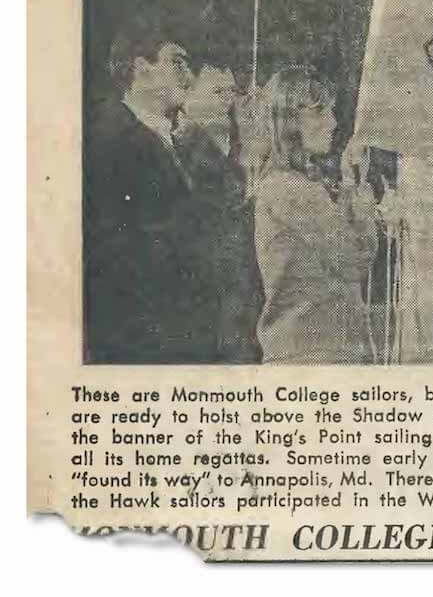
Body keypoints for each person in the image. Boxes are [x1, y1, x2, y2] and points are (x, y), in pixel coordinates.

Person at [83, 21, 221, 363]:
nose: (189, 76)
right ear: (142, 70)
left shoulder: (171, 139)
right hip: (142, 344)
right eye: (177, 62)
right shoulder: (108, 143)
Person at [252, 66, 379, 364]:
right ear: (289, 122)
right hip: (312, 358)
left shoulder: (286, 185)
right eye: (320, 113)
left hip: (310, 353)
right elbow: (355, 259)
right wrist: (360, 195)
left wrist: (349, 183)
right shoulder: (291, 189)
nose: (334, 123)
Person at [173, 62, 263, 363]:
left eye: (231, 92)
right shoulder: (183, 150)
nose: (228, 100)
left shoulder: (234, 146)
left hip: (239, 290)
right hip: (210, 293)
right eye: (217, 91)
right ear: (188, 96)